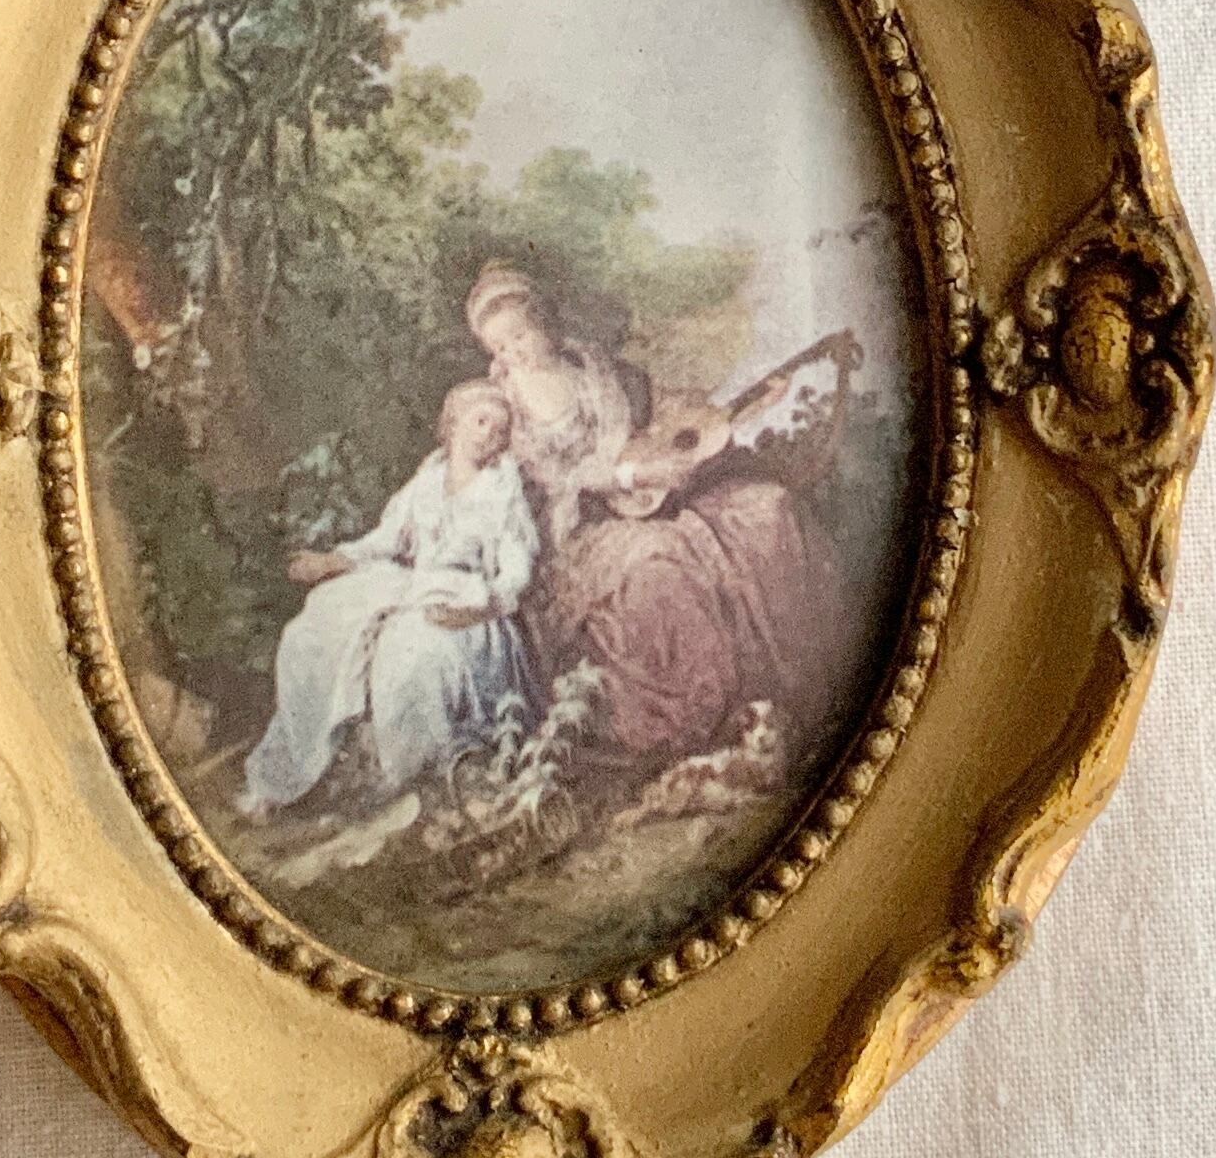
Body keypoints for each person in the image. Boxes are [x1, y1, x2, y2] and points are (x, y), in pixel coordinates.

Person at [463, 262, 847, 764]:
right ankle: (703, 719)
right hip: (579, 529)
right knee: (660, 561)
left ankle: (797, 683)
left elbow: (678, 417)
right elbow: (549, 481)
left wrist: (751, 405)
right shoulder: (505, 406)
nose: (513, 352)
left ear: (543, 321)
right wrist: (630, 476)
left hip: (654, 499)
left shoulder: (594, 367)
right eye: (499, 347)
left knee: (765, 508)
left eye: (519, 335)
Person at [239, 380, 542, 818]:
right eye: (481, 421)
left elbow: (516, 571)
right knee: (315, 629)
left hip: (470, 604)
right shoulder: (428, 480)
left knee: (412, 649)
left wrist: (482, 606)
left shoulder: (502, 491)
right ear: (454, 421)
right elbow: (386, 540)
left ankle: (415, 779)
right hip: (414, 585)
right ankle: (290, 772)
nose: (490, 435)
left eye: (501, 430)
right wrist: (333, 560)